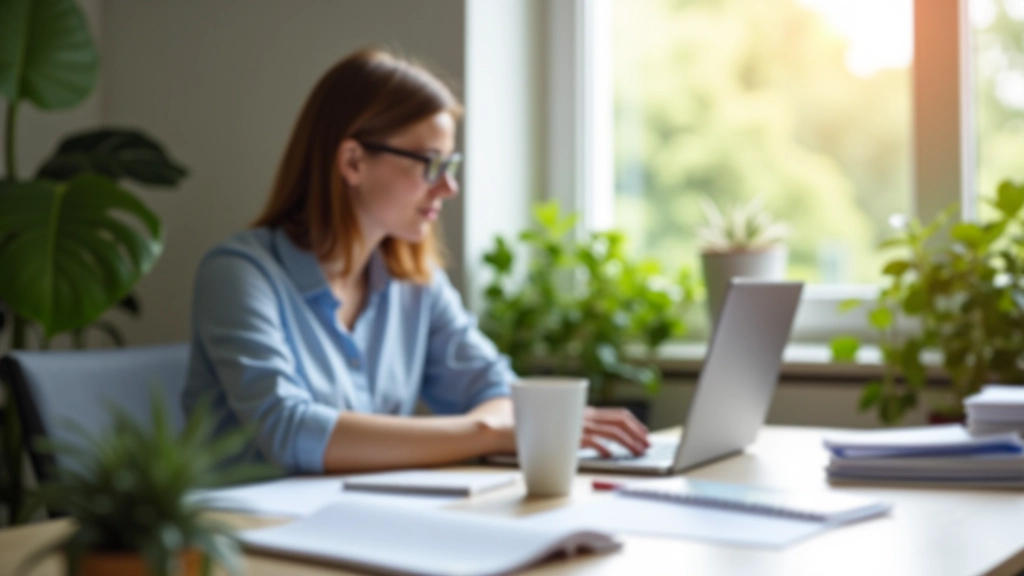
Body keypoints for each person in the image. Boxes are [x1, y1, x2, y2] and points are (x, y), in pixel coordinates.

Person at [183, 48, 650, 474]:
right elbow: (289, 431)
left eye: (451, 166)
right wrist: (487, 434)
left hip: (361, 522)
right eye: (431, 164)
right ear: (352, 162)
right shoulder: (238, 274)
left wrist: (500, 426)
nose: (448, 188)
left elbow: (499, 393)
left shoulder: (415, 282)